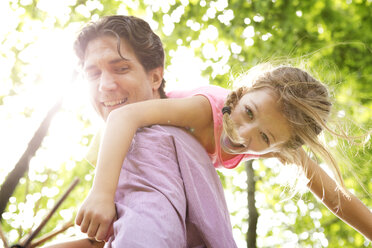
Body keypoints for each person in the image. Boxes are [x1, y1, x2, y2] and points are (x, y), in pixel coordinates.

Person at [76, 52, 372, 241]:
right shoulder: (206, 110)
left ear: (281, 147)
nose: (243, 134)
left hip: (163, 170)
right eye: (249, 112)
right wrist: (101, 193)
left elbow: (336, 198)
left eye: (265, 138)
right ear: (244, 92)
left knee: (119, 233)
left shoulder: (279, 144)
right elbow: (123, 117)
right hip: (127, 144)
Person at [45, 15, 238, 248]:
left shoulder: (144, 140)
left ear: (155, 77)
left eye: (121, 68)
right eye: (93, 74)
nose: (105, 85)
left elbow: (146, 237)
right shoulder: (179, 140)